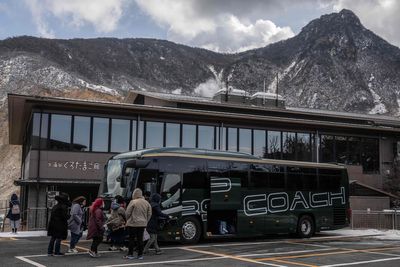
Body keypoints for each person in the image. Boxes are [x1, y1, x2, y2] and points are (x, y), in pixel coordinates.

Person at [123, 188, 152, 260]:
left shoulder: (133, 202)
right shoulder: (146, 202)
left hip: (133, 223)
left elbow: (127, 213)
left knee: (131, 239)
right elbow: (149, 213)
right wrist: (146, 221)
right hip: (142, 224)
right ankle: (140, 255)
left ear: (134, 194)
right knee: (140, 239)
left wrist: (127, 220)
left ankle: (130, 254)